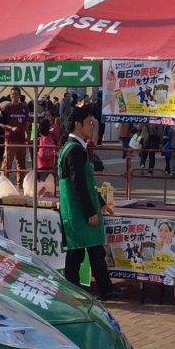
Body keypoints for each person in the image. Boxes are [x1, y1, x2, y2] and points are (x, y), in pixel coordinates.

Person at [59, 104, 118, 300]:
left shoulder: (73, 148)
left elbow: (87, 184)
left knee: (92, 250)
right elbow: (79, 184)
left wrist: (101, 203)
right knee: (77, 253)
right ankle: (74, 290)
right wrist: (90, 212)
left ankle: (104, 288)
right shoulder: (74, 150)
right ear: (78, 125)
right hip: (79, 211)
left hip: (78, 210)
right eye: (89, 123)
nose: (92, 126)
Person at [0, 87, 32, 185]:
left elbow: (26, 123)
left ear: (19, 96)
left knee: (21, 164)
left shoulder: (24, 108)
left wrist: (27, 136)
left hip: (21, 140)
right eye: (12, 94)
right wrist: (10, 127)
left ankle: (20, 185)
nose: (14, 96)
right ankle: (4, 184)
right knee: (7, 164)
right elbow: (0, 123)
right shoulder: (6, 107)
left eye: (16, 94)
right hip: (10, 139)